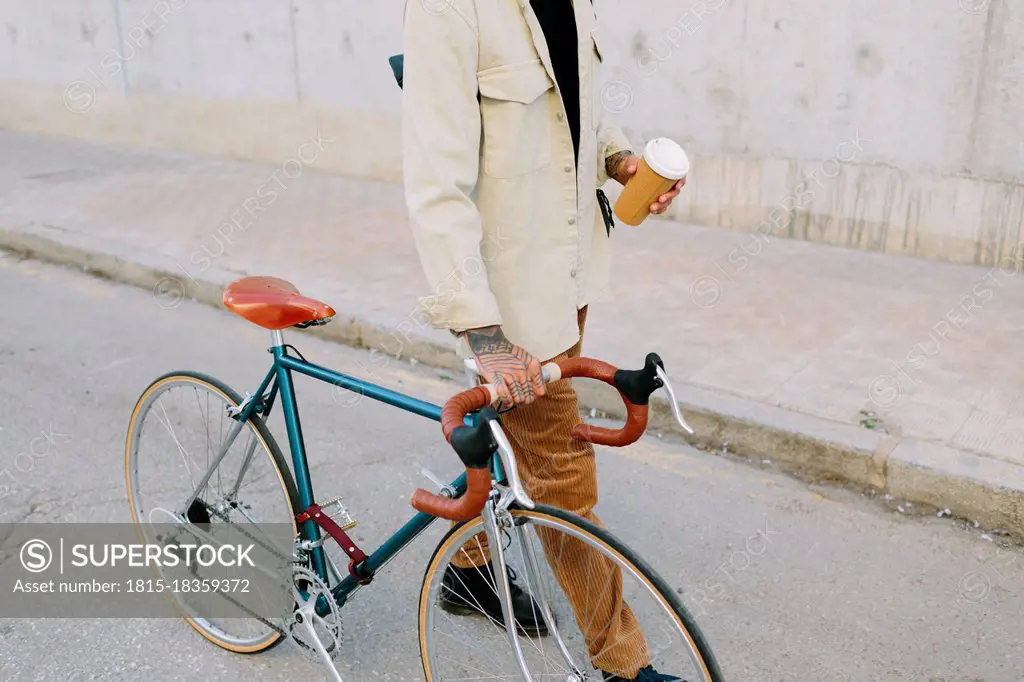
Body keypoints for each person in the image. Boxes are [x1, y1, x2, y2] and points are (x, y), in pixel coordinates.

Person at [401, 1, 686, 680]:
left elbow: (573, 106)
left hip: (568, 272)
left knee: (519, 439)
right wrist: (484, 334)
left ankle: (468, 572)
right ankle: (622, 663)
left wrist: (619, 160)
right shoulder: (448, 9)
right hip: (509, 303)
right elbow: (435, 185)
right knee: (561, 471)